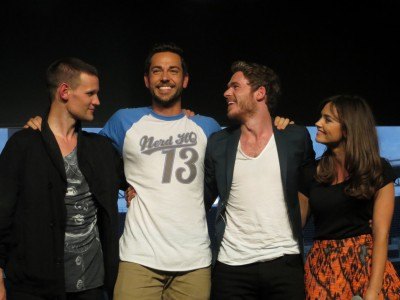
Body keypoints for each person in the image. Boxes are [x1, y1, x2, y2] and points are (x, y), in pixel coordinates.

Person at [99, 43, 221, 300]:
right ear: (146, 80)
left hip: (194, 261)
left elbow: (233, 167)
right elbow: (93, 159)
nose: (165, 77)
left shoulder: (206, 126)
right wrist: (124, 184)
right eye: (157, 71)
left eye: (173, 71)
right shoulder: (124, 121)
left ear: (185, 80)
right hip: (138, 258)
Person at [0, 58, 125, 300]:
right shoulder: (23, 146)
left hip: (92, 286)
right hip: (34, 287)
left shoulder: (100, 149)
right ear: (65, 92)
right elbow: (1, 215)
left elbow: (139, 179)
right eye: (90, 93)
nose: (97, 101)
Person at [204, 60, 315, 299]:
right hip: (232, 268)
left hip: (285, 264)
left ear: (260, 92)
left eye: (235, 86)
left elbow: (309, 188)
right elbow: (200, 198)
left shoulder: (295, 137)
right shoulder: (218, 143)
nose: (226, 93)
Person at [298, 95, 400, 299]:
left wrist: (372, 291)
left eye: (327, 119)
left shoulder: (378, 171)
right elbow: (294, 225)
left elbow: (381, 235)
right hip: (323, 271)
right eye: (320, 117)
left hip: (367, 266)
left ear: (347, 129)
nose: (318, 123)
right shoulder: (311, 173)